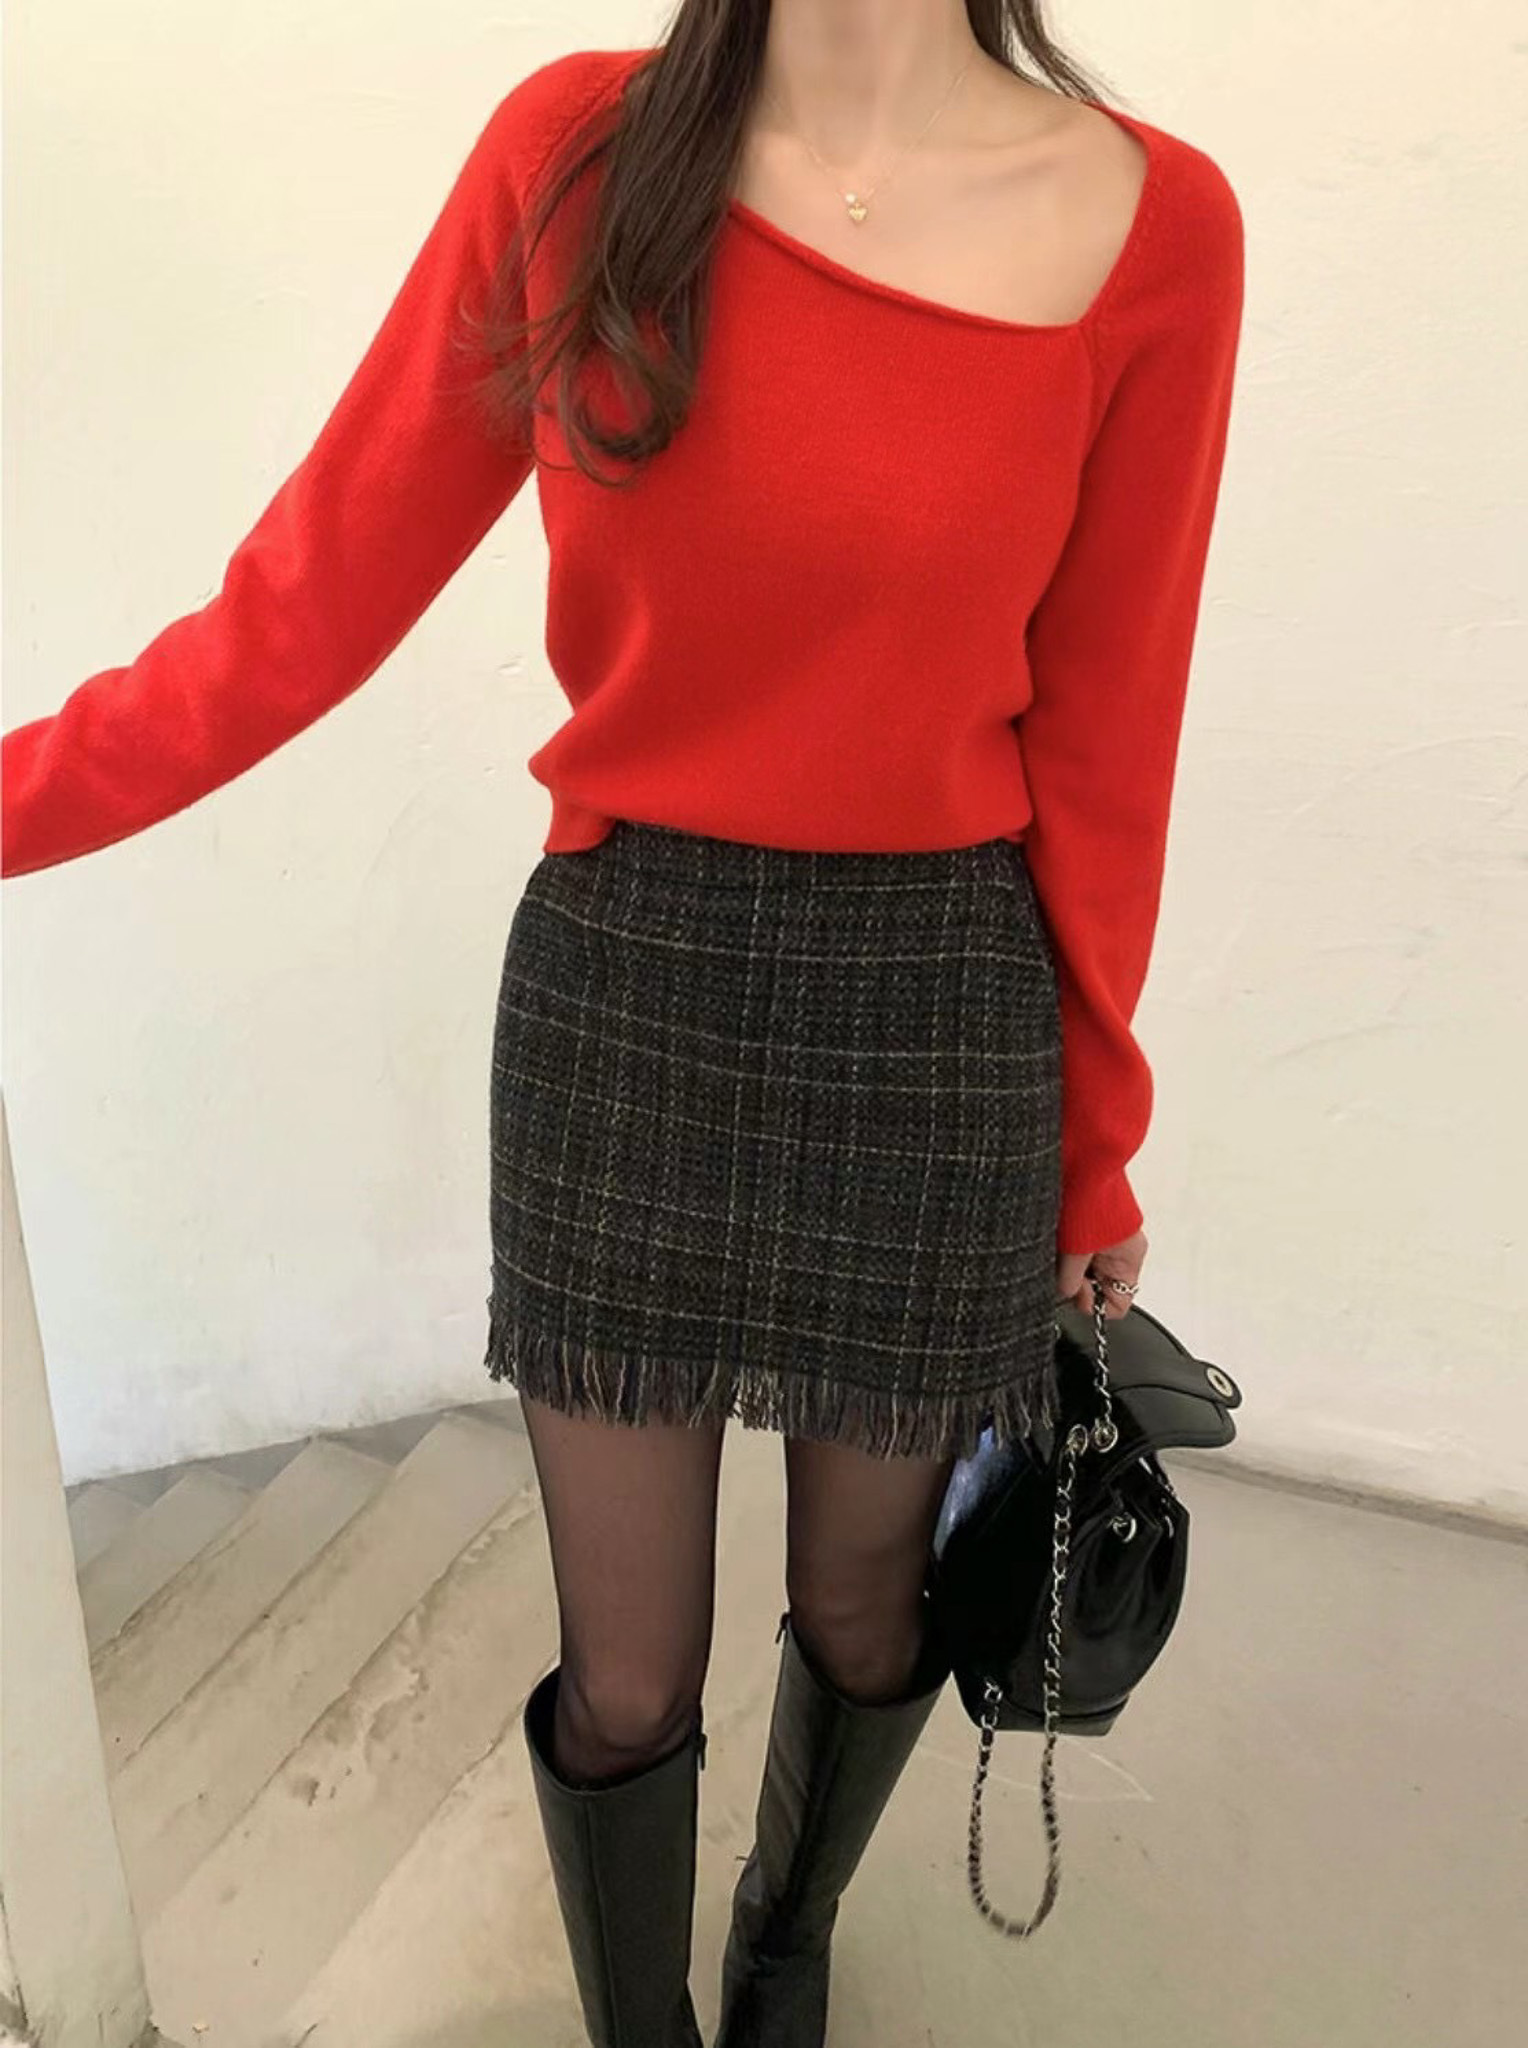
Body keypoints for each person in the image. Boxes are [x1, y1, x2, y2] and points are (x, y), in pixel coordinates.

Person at [2, 5, 1244, 2043]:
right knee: (627, 1674)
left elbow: (1110, 738)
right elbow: (297, 609)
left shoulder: (1154, 228)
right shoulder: (577, 159)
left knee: (866, 1615)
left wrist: (1093, 1145)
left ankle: (783, 1934)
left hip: (939, 1025)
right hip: (623, 1001)